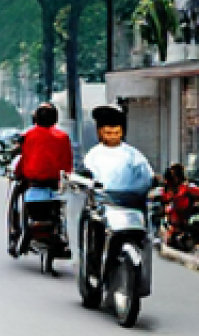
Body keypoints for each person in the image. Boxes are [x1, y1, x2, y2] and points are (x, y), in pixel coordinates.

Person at [9, 103, 74, 254]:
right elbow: (67, 164)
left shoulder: (28, 135)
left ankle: (15, 233)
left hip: (33, 181)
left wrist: (18, 173)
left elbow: (23, 159)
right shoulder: (63, 137)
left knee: (15, 197)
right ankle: (62, 236)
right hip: (56, 183)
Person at [83, 104, 153, 200]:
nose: (112, 136)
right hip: (101, 203)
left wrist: (130, 194)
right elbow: (87, 180)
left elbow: (146, 180)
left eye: (116, 133)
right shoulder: (92, 155)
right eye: (108, 133)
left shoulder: (133, 155)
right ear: (100, 133)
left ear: (122, 132)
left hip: (129, 204)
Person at [161, 163, 199, 247]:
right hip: (172, 229)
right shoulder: (169, 190)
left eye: (173, 174)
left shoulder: (188, 188)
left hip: (185, 229)